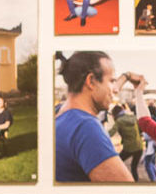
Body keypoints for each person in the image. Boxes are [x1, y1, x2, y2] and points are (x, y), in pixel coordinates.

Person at [55, 52, 134, 182]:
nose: (115, 89)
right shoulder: (85, 128)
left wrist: (126, 76)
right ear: (91, 81)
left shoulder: (59, 114)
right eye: (111, 81)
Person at [108, 104, 144, 182]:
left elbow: (111, 132)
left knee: (117, 163)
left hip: (129, 148)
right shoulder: (133, 117)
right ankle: (136, 184)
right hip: (139, 146)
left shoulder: (119, 121)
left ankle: (118, 180)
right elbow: (141, 129)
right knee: (134, 167)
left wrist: (100, 134)